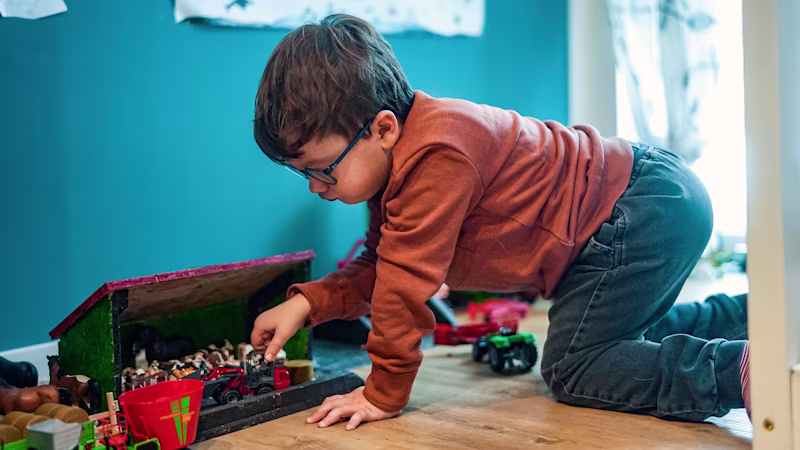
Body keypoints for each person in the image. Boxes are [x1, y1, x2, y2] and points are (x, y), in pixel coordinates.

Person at [249, 14, 750, 431]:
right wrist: (310, 303)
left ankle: (746, 371)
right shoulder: (398, 162)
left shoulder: (436, 155)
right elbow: (382, 264)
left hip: (639, 209)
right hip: (652, 195)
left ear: (382, 128)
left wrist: (382, 394)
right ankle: (760, 314)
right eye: (304, 175)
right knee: (622, 333)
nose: (316, 186)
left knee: (574, 367)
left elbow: (400, 289)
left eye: (322, 170)